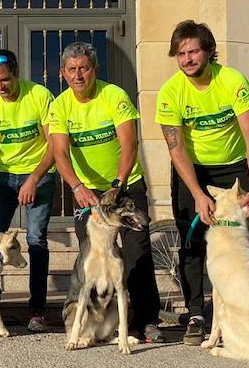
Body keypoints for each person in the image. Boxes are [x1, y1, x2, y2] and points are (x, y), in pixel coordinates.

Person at [45, 41, 162, 343]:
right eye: (72, 70)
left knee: (136, 253)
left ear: (95, 69)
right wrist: (77, 187)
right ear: (62, 74)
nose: (78, 75)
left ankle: (146, 320)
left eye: (84, 68)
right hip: (88, 192)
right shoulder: (59, 106)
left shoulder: (114, 96)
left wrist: (119, 183)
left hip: (123, 185)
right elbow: (59, 153)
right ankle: (95, 323)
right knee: (91, 255)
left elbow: (129, 143)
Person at [155, 19, 249, 341]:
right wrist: (199, 194)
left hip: (233, 167)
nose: (187, 59)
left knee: (243, 241)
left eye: (193, 51)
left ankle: (247, 309)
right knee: (192, 242)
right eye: (180, 53)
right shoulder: (170, 91)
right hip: (193, 168)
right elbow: (176, 151)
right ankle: (196, 313)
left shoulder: (232, 81)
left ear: (210, 51)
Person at [0, 48, 60, 333]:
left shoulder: (39, 95)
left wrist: (33, 179)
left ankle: (38, 310)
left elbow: (54, 144)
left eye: (5, 80)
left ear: (16, 74)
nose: (0, 87)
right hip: (2, 178)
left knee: (36, 239)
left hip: (38, 174)